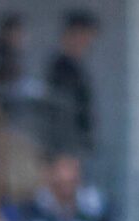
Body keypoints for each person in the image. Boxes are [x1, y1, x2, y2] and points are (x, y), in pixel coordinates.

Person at [44, 10, 97, 157]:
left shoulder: (76, 66)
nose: (87, 42)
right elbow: (63, 107)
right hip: (66, 143)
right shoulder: (61, 67)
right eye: (85, 36)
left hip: (76, 141)